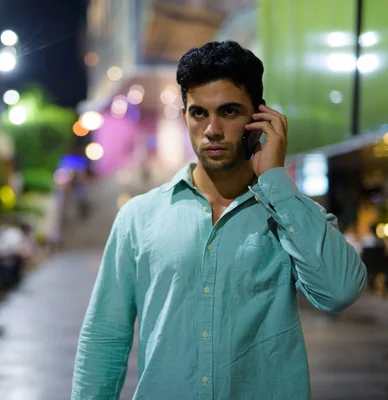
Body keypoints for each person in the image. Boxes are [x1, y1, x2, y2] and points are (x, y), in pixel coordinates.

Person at [71, 40, 367, 400]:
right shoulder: (138, 217)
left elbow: (340, 292)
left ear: (258, 118)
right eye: (199, 113)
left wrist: (275, 181)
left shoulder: (289, 214)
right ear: (184, 117)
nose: (212, 129)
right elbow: (106, 334)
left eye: (229, 112)